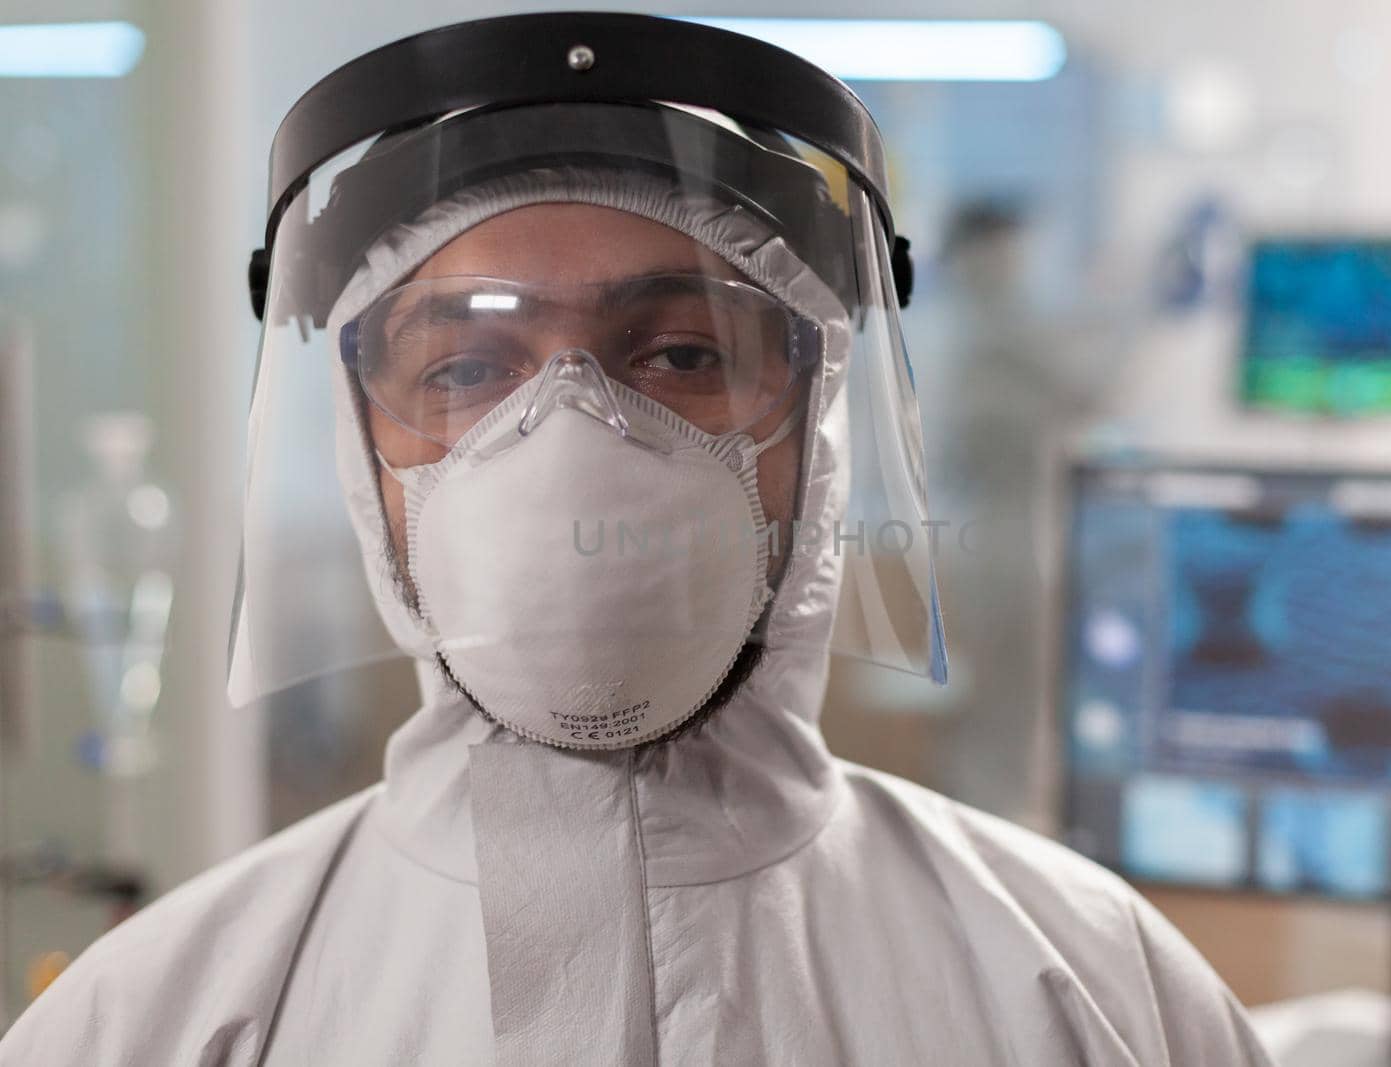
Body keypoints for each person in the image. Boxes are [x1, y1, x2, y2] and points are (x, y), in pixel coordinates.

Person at [0, 14, 1273, 1065]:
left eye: (678, 353)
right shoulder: (159, 1021)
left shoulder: (1092, 991)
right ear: (359, 454)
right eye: (469, 367)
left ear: (815, 439)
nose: (570, 444)